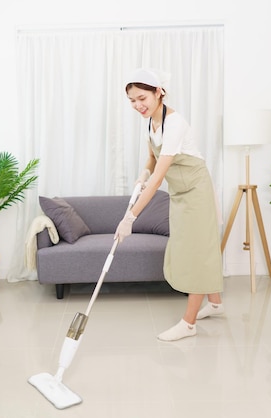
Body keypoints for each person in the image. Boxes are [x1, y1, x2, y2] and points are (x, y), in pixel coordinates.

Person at [115, 68, 224, 342]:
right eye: (132, 100)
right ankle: (216, 303)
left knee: (196, 253)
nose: (138, 105)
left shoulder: (174, 124)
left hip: (196, 191)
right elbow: (153, 159)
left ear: (158, 92)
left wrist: (130, 216)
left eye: (142, 98)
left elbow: (159, 178)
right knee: (193, 247)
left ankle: (188, 324)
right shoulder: (151, 121)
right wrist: (143, 172)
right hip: (181, 192)